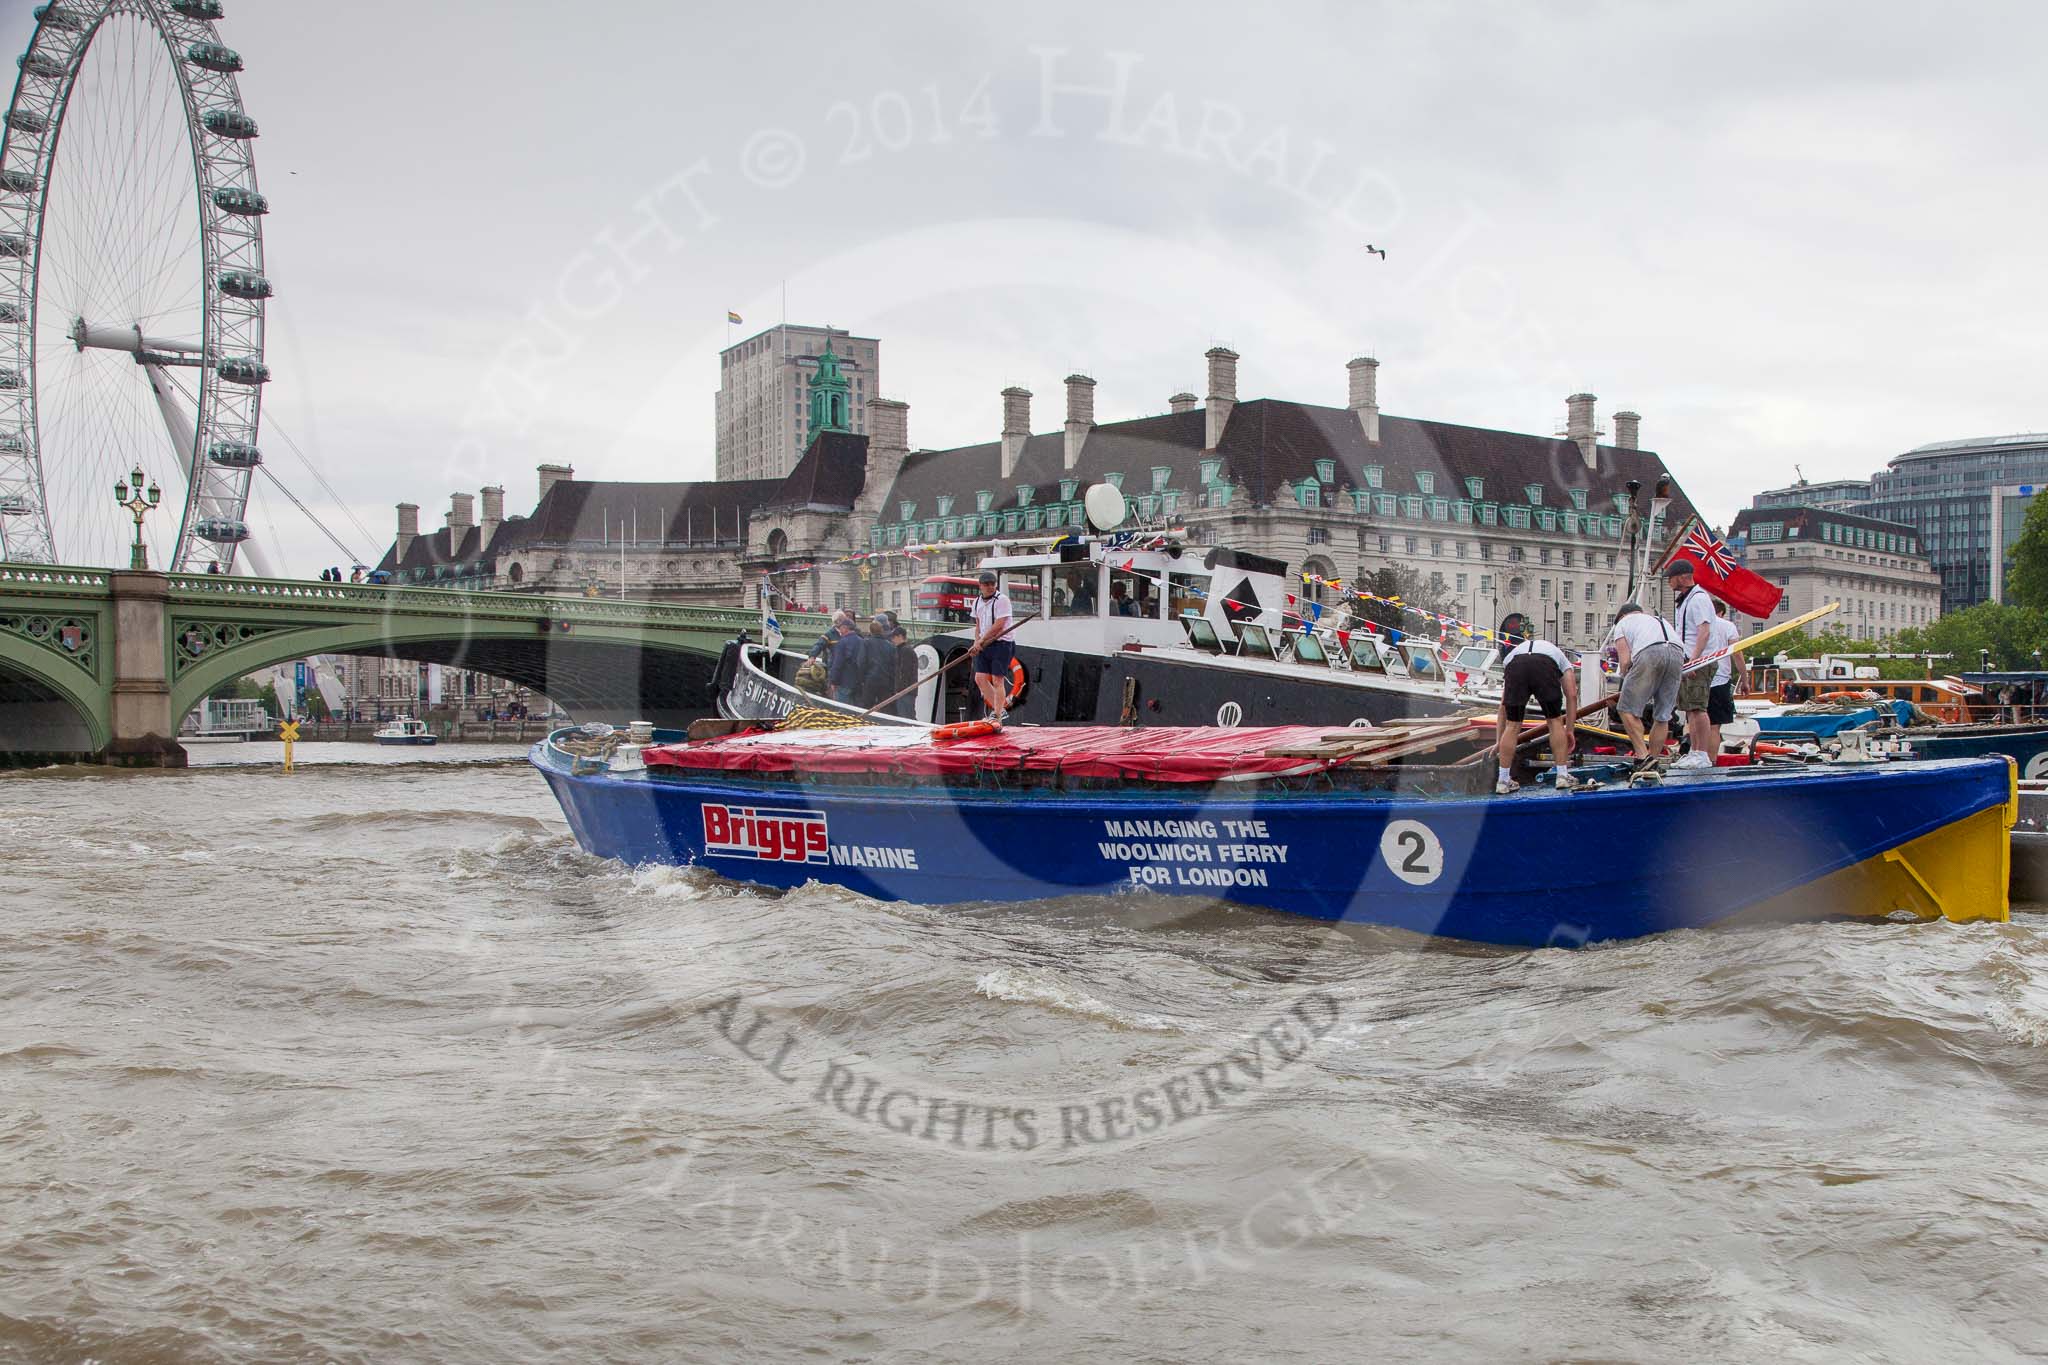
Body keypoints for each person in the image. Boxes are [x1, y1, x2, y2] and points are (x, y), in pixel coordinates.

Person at [1493, 621, 1579, 795]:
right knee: (1554, 721)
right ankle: (1562, 776)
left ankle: (1502, 780)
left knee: (1513, 724)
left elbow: (1503, 706)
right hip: (1544, 665)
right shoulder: (1561, 657)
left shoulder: (1511, 656)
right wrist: (1569, 730)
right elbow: (1572, 695)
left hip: (1516, 666)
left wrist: (1498, 740)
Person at [1608, 602, 1685, 762]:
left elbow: (1624, 662)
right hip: (1677, 653)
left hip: (1649, 652)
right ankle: (1654, 760)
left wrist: (1626, 682)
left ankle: (1643, 756)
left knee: (1626, 710)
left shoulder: (1622, 624)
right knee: (1663, 716)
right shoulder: (1658, 620)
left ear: (1621, 616)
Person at [1666, 559, 1716, 761]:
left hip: (1699, 660)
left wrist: (1694, 660)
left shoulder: (1699, 598)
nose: (1669, 583)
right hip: (1686, 659)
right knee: (1690, 709)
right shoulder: (1687, 600)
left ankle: (1702, 753)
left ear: (1680, 577)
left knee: (1698, 707)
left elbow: (1704, 631)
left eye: (1670, 578)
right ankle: (1695, 751)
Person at [967, 570, 1017, 722]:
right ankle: (1000, 709)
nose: (990, 587)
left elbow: (999, 625)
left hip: (1002, 643)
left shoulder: (1002, 600)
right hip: (985, 643)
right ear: (980, 586)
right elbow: (978, 625)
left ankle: (997, 714)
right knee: (980, 678)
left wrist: (981, 641)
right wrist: (977, 642)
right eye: (986, 584)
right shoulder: (976, 602)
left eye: (992, 584)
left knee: (997, 679)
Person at [1703, 600, 1743, 758]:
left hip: (1697, 676)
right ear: (1721, 613)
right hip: (1720, 678)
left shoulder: (1696, 623)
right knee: (1714, 726)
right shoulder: (1727, 626)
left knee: (1693, 720)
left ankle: (1693, 755)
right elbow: (1737, 654)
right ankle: (1711, 760)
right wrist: (1744, 679)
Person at [823, 611, 864, 703]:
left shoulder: (842, 642)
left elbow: (838, 664)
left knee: (842, 711)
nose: (840, 631)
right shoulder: (862, 641)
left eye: (840, 628)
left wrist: (833, 681)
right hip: (858, 682)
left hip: (844, 682)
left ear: (845, 628)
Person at [885, 616, 919, 718]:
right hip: (906, 691)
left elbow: (905, 672)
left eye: (894, 637)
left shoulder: (905, 651)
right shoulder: (904, 650)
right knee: (906, 715)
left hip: (905, 691)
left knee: (907, 716)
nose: (892, 640)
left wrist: (899, 690)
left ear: (900, 636)